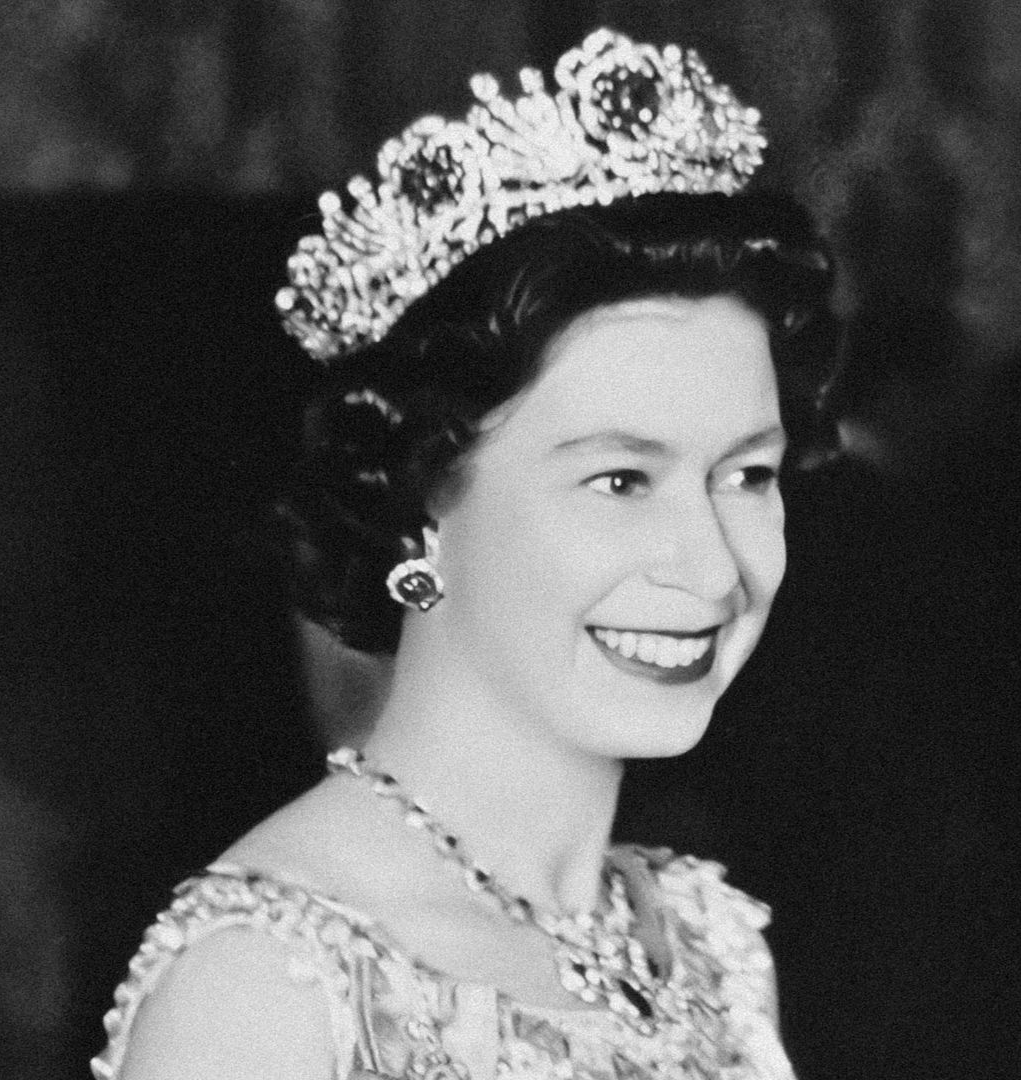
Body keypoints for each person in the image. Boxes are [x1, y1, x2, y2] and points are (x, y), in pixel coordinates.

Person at [92, 28, 839, 1079]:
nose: (714, 568)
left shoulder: (707, 941)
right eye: (621, 480)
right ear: (418, 503)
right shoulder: (267, 988)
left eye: (747, 475)